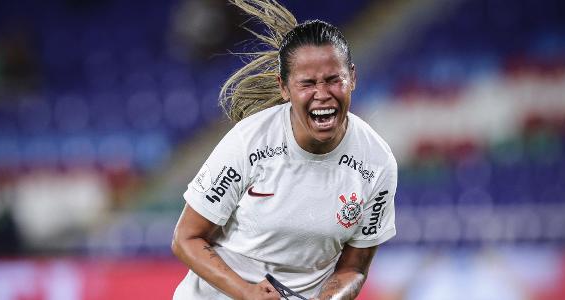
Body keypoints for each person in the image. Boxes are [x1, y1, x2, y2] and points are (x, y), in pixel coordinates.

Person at [171, 0, 398, 299]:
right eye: (307, 83)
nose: (322, 94)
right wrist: (246, 292)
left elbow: (354, 268)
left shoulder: (377, 163)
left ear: (352, 78)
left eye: (333, 80)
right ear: (284, 87)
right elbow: (186, 238)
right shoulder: (250, 141)